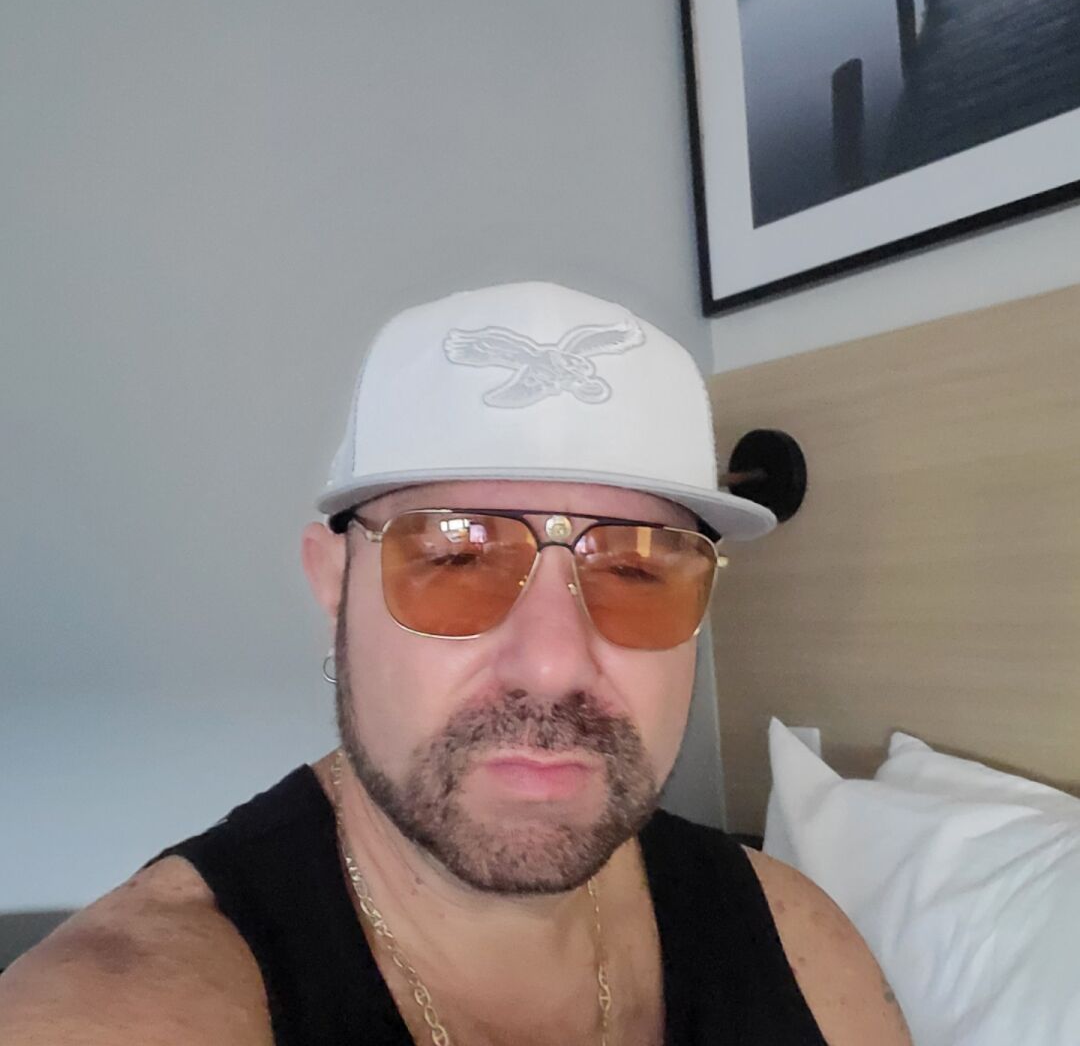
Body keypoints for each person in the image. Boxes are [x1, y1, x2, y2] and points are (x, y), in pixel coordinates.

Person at [0, 281, 913, 1045]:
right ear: (335, 585)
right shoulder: (123, 1002)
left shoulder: (802, 945)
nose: (552, 664)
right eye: (455, 559)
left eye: (636, 569)